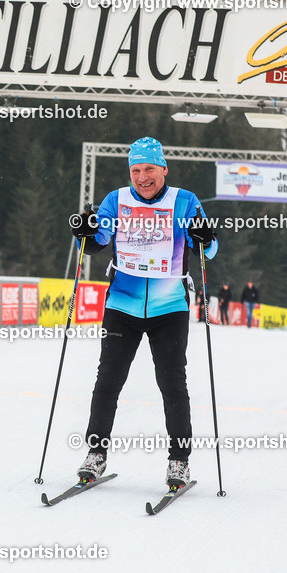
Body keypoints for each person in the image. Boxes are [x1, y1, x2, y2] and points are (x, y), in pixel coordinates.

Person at [68, 137, 217, 489]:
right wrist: (84, 233)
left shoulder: (185, 201)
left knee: (172, 384)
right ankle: (96, 453)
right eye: (136, 170)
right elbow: (94, 244)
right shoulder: (115, 200)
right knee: (108, 381)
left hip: (170, 308)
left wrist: (204, 236)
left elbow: (208, 251)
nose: (142, 177)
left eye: (149, 169)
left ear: (164, 169)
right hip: (122, 304)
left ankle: (179, 461)